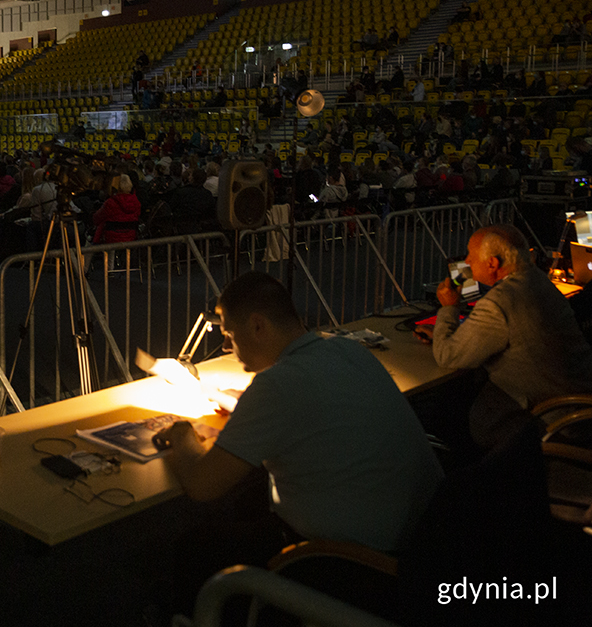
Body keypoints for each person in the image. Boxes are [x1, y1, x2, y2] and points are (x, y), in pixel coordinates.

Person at [156, 271, 442, 553]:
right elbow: (316, 408)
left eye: (229, 333)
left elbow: (202, 486)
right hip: (423, 533)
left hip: (351, 558)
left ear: (258, 326)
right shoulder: (347, 350)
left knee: (191, 549)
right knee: (250, 498)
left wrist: (181, 433)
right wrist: (247, 405)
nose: (226, 346)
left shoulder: (275, 386)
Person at [414, 225, 592, 443]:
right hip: (576, 405)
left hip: (550, 421)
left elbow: (448, 356)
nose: (467, 261)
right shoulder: (536, 280)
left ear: (492, 264)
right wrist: (452, 333)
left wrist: (449, 308)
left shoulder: (499, 302)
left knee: (443, 410)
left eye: (471, 255)